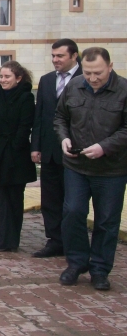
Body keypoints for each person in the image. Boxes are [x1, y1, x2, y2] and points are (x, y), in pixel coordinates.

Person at [55, 47, 127, 291]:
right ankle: (76, 262)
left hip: (111, 169)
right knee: (73, 212)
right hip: (76, 166)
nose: (93, 78)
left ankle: (100, 269)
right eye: (88, 73)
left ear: (110, 66)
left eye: (98, 73)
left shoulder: (124, 90)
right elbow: (60, 118)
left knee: (106, 220)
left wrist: (104, 147)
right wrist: (63, 137)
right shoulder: (74, 86)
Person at [30, 39, 81, 258]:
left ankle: (73, 242)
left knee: (73, 202)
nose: (55, 60)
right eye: (53, 56)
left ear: (74, 56)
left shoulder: (85, 78)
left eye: (60, 56)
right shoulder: (47, 80)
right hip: (50, 150)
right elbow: (40, 115)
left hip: (76, 151)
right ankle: (55, 240)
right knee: (50, 199)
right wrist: (36, 146)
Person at [0, 61, 36, 252]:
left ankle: (12, 240)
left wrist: (14, 146)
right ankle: (1, 239)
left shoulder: (26, 97)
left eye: (7, 77)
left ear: (18, 78)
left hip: (15, 156)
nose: (3, 80)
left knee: (13, 199)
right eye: (2, 76)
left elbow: (25, 126)